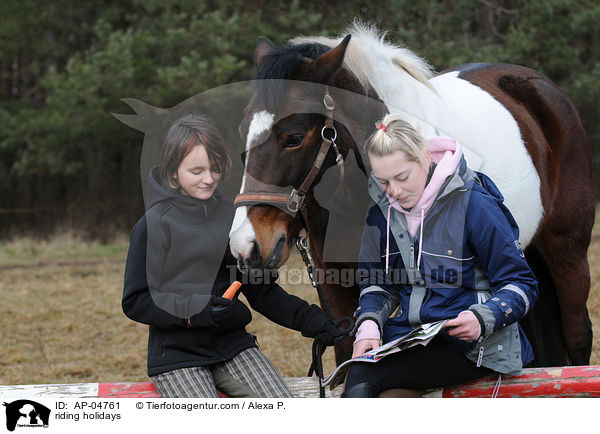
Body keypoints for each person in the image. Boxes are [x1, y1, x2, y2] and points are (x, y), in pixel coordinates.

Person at [122, 114, 345, 398]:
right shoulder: (153, 225)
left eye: (215, 169)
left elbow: (262, 292)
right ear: (173, 172)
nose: (208, 179)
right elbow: (136, 301)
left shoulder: (234, 218)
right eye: (197, 171)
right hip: (177, 357)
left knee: (282, 408)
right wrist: (196, 313)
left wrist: (314, 320)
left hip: (233, 346)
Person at [343, 115, 538, 397]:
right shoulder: (381, 212)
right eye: (383, 182)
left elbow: (522, 283)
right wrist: (370, 326)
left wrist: (483, 317)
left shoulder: (474, 203)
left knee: (364, 379)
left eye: (402, 177)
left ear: (424, 156)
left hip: (474, 344)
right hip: (411, 340)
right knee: (376, 388)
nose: (394, 192)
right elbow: (377, 284)